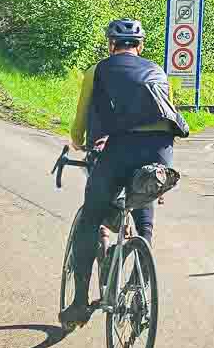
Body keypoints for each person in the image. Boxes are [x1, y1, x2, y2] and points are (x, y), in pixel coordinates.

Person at [60, 18, 189, 328]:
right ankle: (136, 286)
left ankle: (79, 303)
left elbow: (81, 122)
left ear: (110, 45)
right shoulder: (159, 71)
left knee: (91, 218)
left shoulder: (98, 69)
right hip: (161, 150)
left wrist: (77, 142)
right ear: (140, 47)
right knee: (144, 220)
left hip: (122, 148)